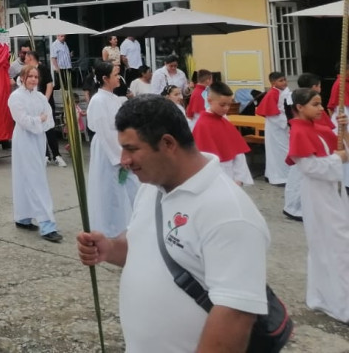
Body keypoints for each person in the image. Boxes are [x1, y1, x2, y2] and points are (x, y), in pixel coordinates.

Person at [77, 95, 270, 353]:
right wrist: (110, 248)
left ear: (168, 143)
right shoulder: (152, 188)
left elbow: (235, 316)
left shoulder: (230, 212)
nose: (124, 159)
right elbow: (141, 246)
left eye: (132, 149)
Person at [286, 87, 349, 323]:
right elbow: (309, 168)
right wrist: (337, 159)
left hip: (333, 191)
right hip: (317, 194)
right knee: (334, 246)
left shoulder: (318, 128)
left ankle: (331, 298)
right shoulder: (298, 132)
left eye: (321, 103)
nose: (321, 108)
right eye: (315, 104)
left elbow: (346, 152)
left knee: (338, 246)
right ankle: (339, 303)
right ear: (300, 107)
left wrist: (343, 128)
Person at [8, 65, 63, 243]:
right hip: (23, 141)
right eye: (30, 76)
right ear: (23, 77)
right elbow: (23, 120)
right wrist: (39, 119)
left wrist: (39, 122)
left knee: (30, 177)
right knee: (33, 178)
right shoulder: (15, 97)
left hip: (38, 139)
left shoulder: (40, 97)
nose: (33, 80)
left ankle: (23, 216)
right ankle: (47, 223)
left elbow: (49, 117)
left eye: (36, 77)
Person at [86, 61, 138, 237]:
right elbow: (104, 131)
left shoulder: (114, 98)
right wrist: (120, 155)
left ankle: (124, 225)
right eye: (116, 75)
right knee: (110, 190)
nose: (119, 78)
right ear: (105, 78)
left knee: (124, 190)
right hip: (107, 150)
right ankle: (110, 229)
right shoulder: (99, 100)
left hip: (119, 146)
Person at [283, 73, 332, 221]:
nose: (321, 108)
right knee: (298, 180)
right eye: (316, 105)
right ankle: (295, 208)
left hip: (312, 150)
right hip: (306, 166)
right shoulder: (299, 126)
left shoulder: (309, 114)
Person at [191, 82, 252, 186]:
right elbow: (203, 159)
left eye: (229, 104)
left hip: (232, 174)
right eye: (222, 105)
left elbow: (238, 152)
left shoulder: (224, 121)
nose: (226, 108)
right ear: (210, 101)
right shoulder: (203, 125)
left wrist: (239, 177)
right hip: (216, 176)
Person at [255, 71, 291, 186]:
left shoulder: (281, 92)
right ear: (273, 83)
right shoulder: (272, 93)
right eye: (281, 81)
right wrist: (286, 121)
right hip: (276, 126)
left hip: (281, 126)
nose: (284, 82)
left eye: (284, 79)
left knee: (280, 151)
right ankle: (280, 177)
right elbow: (272, 113)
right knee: (280, 152)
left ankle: (273, 174)